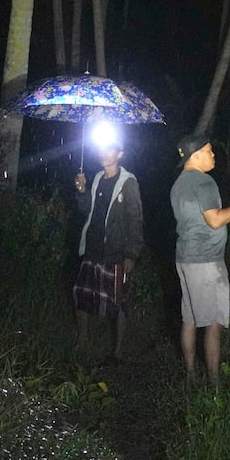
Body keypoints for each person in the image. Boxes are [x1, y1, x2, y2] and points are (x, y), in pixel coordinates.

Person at [170, 132, 230, 386]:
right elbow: (215, 220)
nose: (213, 155)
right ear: (195, 155)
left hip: (185, 258)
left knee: (189, 319)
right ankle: (214, 384)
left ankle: (190, 376)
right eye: (209, 150)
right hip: (206, 261)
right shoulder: (204, 182)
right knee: (213, 322)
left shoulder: (178, 184)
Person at [71, 132, 144, 363]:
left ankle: (118, 351)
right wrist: (82, 191)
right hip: (92, 248)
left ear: (120, 154)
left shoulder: (128, 183)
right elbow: (88, 212)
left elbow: (136, 219)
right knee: (81, 295)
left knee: (118, 302)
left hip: (115, 252)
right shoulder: (97, 179)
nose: (104, 154)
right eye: (102, 149)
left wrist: (131, 253)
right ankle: (83, 341)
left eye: (110, 150)